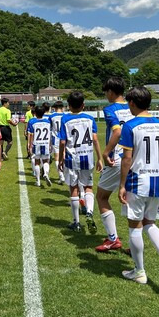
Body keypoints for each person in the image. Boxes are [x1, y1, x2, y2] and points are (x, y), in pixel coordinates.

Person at [118, 86, 159, 289]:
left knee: (134, 226)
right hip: (157, 181)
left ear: (132, 103)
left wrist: (121, 185)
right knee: (149, 223)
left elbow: (127, 159)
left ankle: (139, 271)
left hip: (137, 181)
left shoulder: (130, 126)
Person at [95, 77, 134, 253]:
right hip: (134, 158)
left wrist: (105, 152)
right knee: (131, 202)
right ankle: (134, 246)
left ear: (110, 91)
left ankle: (113, 239)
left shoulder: (110, 109)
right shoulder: (133, 106)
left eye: (106, 92)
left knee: (102, 197)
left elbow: (117, 131)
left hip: (117, 158)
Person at [58, 91, 103, 233]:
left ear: (69, 105)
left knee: (74, 188)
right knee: (88, 186)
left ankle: (76, 222)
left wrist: (60, 158)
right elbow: (95, 139)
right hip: (88, 157)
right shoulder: (90, 119)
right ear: (83, 105)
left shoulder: (65, 119)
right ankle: (89, 212)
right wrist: (100, 158)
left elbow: (62, 141)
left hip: (72, 158)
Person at [27, 105, 52, 187]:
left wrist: (29, 145)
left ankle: (38, 181)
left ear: (35, 113)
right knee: (46, 161)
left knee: (37, 162)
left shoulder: (32, 122)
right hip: (45, 143)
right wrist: (50, 144)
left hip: (36, 143)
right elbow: (50, 134)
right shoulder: (48, 122)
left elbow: (30, 134)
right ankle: (46, 173)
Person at [48, 101, 66, 185]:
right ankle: (65, 175)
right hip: (65, 138)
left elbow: (50, 129)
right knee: (65, 156)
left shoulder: (51, 116)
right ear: (62, 107)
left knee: (57, 157)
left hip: (56, 138)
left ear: (54, 108)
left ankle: (61, 176)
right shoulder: (66, 116)